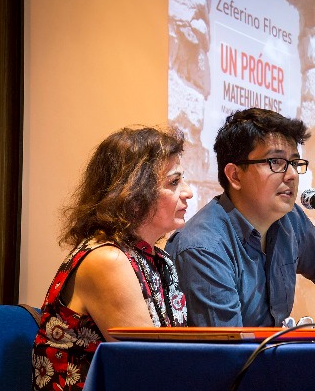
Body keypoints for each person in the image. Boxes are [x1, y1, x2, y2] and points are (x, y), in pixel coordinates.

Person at [31, 126, 193, 390]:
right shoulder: (107, 260)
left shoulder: (159, 258)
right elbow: (147, 368)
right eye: (174, 182)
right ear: (134, 194)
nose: (188, 192)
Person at [165, 108, 315, 327]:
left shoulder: (291, 220)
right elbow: (229, 345)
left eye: (294, 163)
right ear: (235, 175)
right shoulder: (203, 247)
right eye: (276, 162)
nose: (292, 175)